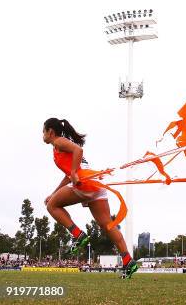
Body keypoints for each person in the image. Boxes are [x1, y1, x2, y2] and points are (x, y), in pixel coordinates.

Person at [42, 118, 137, 279]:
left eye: (43, 131)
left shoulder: (59, 142)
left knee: (51, 206)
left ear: (50, 132)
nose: (42, 135)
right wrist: (55, 191)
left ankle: (78, 235)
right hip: (95, 182)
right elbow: (69, 175)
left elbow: (79, 150)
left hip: (85, 182)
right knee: (107, 225)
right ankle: (129, 261)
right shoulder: (59, 146)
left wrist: (73, 173)